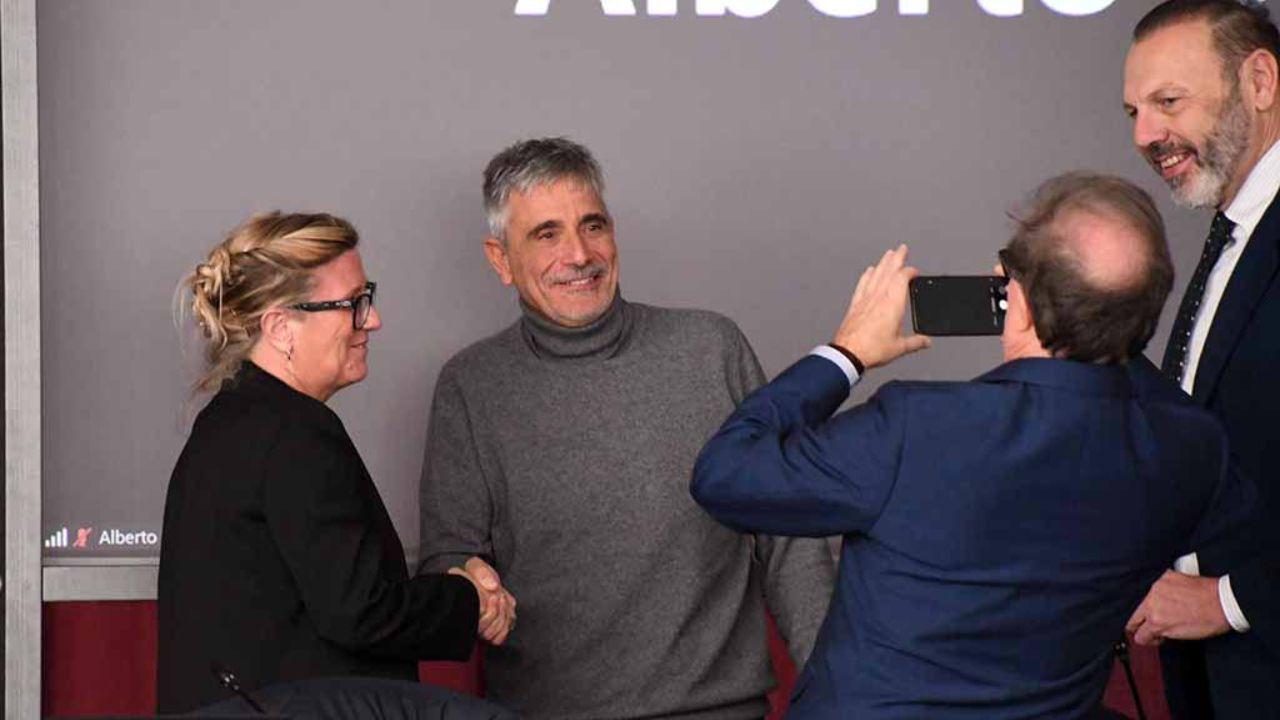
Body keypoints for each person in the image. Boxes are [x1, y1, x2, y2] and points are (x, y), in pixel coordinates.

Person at [691, 173, 1253, 718]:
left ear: (1019, 298)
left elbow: (725, 476)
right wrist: (1108, 328)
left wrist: (847, 353)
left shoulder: (920, 426)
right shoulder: (1191, 450)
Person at [418, 137, 836, 719]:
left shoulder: (710, 349)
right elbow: (448, 559)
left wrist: (840, 691)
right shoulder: (470, 386)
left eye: (592, 226)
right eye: (546, 234)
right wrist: (467, 579)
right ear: (500, 259)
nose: (579, 254)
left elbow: (790, 541)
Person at [158, 212, 514, 713]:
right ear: (280, 327)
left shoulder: (230, 421)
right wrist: (468, 601)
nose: (372, 320)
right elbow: (361, 610)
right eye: (352, 304)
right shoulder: (294, 433)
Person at [1122, 2, 1280, 716]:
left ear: (1260, 82)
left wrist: (1232, 600)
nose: (1144, 135)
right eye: (1134, 112)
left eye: (1168, 102)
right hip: (1214, 674)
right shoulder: (1235, 229)